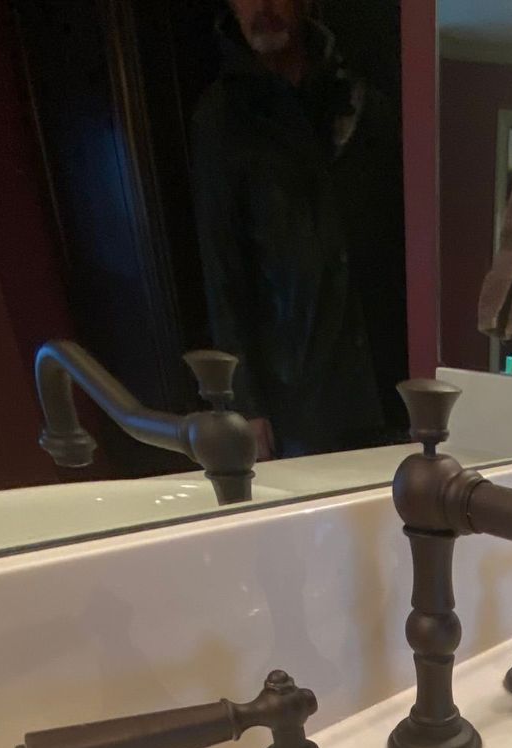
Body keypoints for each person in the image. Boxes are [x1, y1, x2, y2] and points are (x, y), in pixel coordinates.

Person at [190, 0, 408, 460]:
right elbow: (222, 269)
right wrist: (245, 405)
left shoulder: (363, 98)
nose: (262, 7)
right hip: (300, 399)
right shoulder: (222, 118)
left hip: (389, 383)